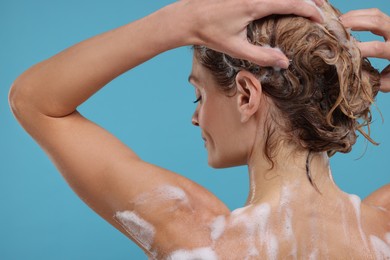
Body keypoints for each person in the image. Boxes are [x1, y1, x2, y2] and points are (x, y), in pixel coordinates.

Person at [8, 0, 390, 258]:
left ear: (245, 94)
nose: (195, 117)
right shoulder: (383, 228)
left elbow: (34, 101)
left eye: (198, 95)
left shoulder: (193, 233)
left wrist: (180, 20)